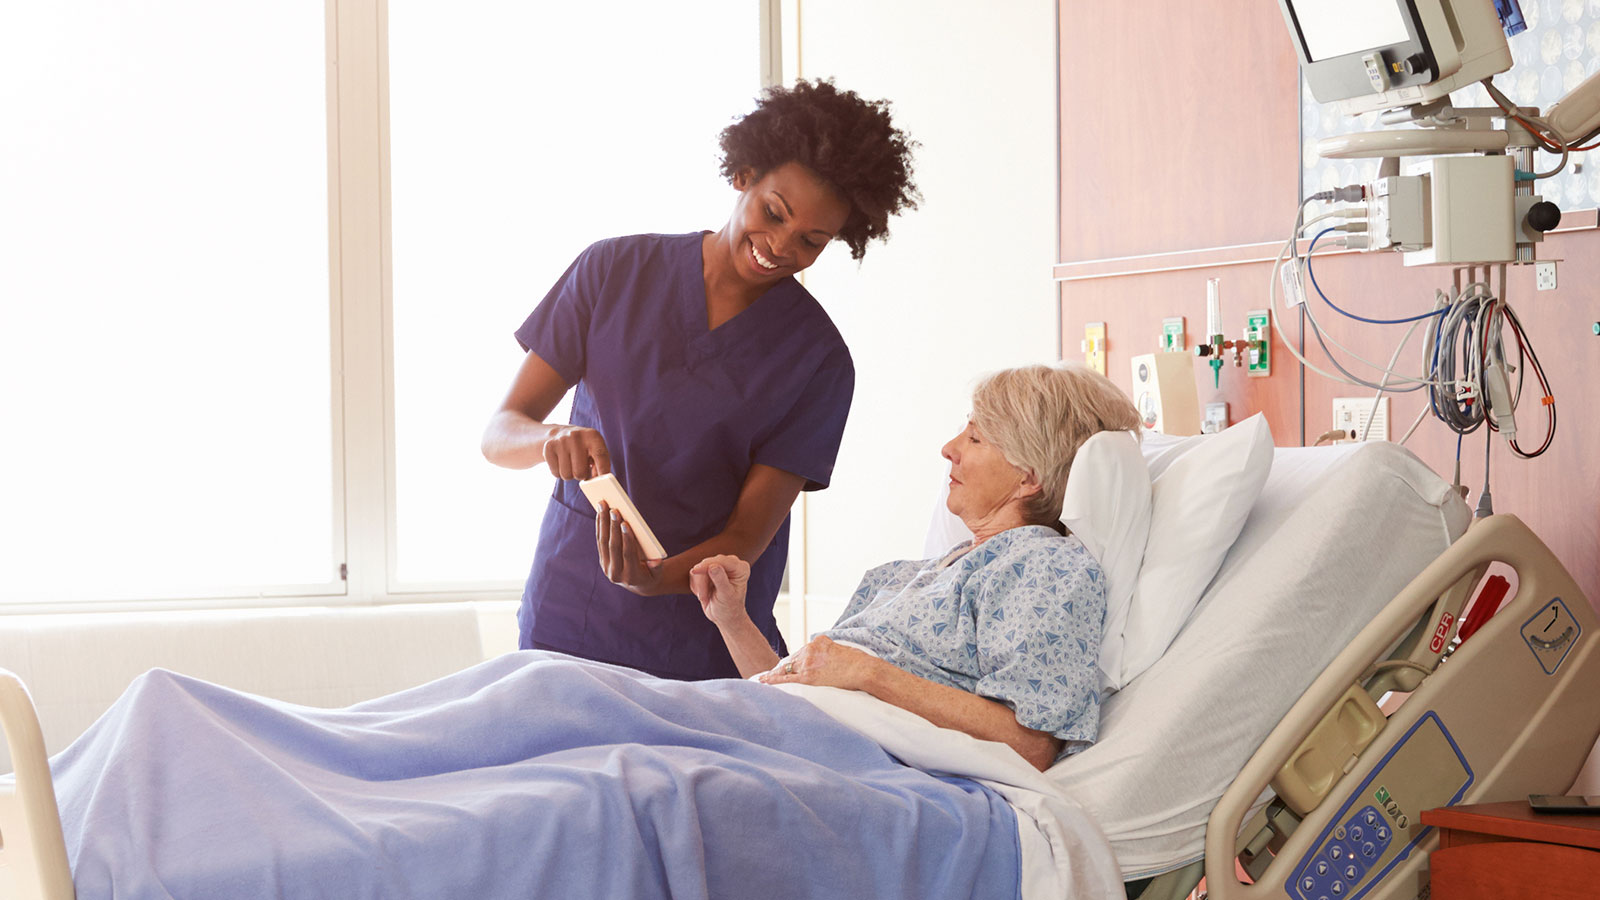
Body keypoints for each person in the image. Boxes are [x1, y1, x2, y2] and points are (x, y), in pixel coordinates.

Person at [481, 79, 919, 680]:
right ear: (743, 174)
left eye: (811, 241)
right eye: (774, 213)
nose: (779, 246)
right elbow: (501, 432)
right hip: (571, 607)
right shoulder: (613, 271)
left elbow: (746, 533)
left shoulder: (819, 360)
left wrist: (655, 578)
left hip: (704, 632)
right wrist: (550, 440)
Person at [680, 364, 1143, 771]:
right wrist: (732, 619)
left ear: (1029, 477)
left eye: (976, 437)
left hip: (847, 768)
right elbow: (791, 690)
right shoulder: (903, 576)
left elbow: (1030, 745)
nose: (949, 448)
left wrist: (869, 673)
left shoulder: (1042, 567)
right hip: (787, 735)